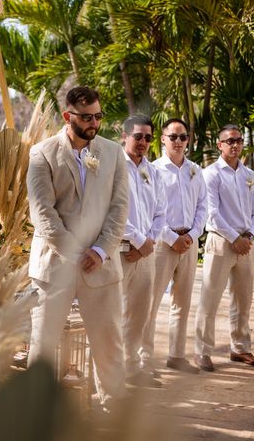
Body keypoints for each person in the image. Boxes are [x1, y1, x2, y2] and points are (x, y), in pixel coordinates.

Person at [26, 86, 129, 406]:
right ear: (67, 116)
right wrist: (73, 252)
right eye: (86, 117)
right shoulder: (41, 153)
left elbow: (120, 207)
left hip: (101, 264)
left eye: (98, 116)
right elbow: (42, 212)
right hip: (55, 265)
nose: (94, 123)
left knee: (110, 344)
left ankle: (114, 410)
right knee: (43, 343)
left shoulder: (113, 153)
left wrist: (100, 250)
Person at [194, 124, 254, 371]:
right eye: (229, 141)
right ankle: (202, 351)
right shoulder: (211, 174)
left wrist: (250, 235)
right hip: (221, 242)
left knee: (243, 300)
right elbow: (211, 213)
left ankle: (241, 348)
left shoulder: (250, 176)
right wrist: (234, 237)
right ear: (219, 145)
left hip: (246, 243)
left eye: (238, 141)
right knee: (210, 298)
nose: (234, 145)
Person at [140, 119, 206, 375]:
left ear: (188, 140)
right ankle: (144, 359)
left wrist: (192, 235)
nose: (178, 142)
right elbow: (151, 211)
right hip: (162, 244)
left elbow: (203, 206)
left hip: (189, 242)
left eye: (182, 137)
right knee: (150, 303)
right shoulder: (154, 170)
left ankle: (177, 355)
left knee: (183, 302)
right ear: (163, 139)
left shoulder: (195, 170)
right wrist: (171, 238)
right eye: (173, 137)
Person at [119, 114, 167, 387]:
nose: (143, 142)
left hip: (146, 253)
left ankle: (132, 367)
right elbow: (111, 212)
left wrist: (148, 242)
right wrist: (138, 241)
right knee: (113, 313)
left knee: (140, 314)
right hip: (120, 251)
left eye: (148, 138)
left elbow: (161, 213)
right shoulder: (113, 167)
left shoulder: (154, 172)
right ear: (124, 136)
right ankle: (110, 371)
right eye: (138, 136)